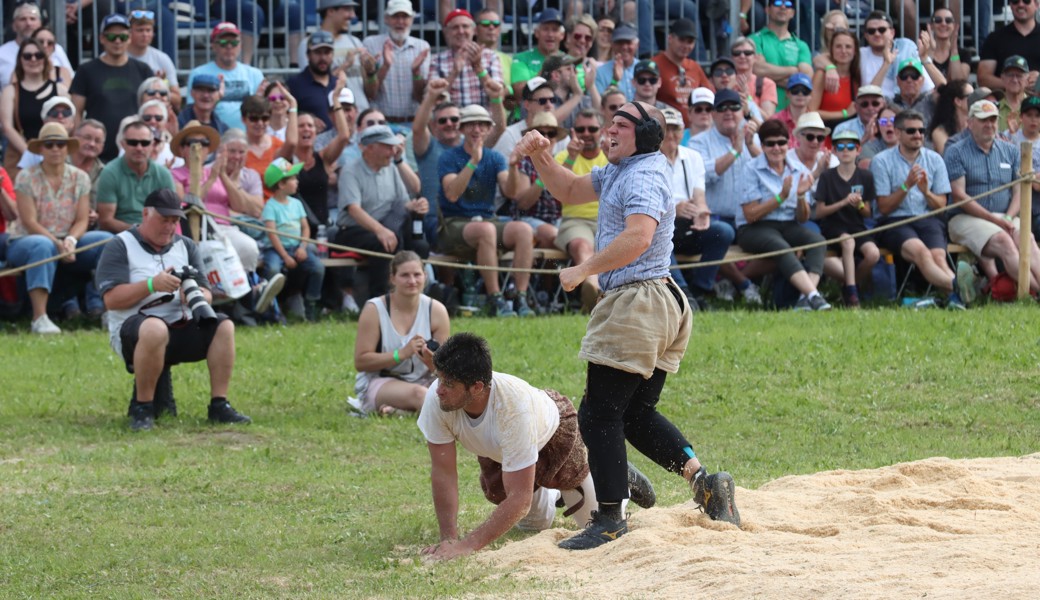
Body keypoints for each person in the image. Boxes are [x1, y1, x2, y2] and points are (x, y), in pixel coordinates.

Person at [513, 101, 740, 551]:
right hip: (658, 300)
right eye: (609, 122)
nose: (609, 130)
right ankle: (706, 482)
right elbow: (570, 189)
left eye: (621, 124)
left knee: (599, 412)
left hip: (640, 300)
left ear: (646, 135)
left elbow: (638, 236)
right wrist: (540, 154)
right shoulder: (621, 168)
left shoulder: (642, 174)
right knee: (633, 414)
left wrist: (584, 269)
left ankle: (610, 517)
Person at [418, 332, 656, 560]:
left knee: (597, 526)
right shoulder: (438, 399)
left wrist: (467, 545)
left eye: (449, 383)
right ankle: (555, 488)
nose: (439, 389)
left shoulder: (512, 407)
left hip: (553, 433)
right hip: (505, 448)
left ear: (477, 387)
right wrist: (448, 539)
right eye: (439, 378)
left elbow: (519, 499)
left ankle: (615, 476)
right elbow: (444, 472)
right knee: (535, 525)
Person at [95, 188, 251, 431]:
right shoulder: (120, 245)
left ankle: (219, 405)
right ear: (146, 214)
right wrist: (151, 285)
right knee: (155, 328)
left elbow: (207, 293)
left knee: (224, 326)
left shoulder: (186, 245)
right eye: (164, 220)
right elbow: (111, 300)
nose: (170, 227)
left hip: (179, 325)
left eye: (175, 221)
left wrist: (193, 295)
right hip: (134, 330)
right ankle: (142, 408)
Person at [5, 123, 111, 333]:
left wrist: (70, 241)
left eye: (60, 144)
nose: (55, 149)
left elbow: (82, 219)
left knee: (107, 241)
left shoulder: (79, 177)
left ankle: (111, 312)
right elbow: (29, 221)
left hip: (68, 239)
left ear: (67, 147)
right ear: (41, 149)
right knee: (42, 245)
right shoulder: (26, 176)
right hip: (26, 240)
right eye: (49, 144)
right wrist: (57, 243)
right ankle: (39, 318)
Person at [437, 105, 531, 318]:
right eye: (471, 124)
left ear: (489, 129)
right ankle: (495, 299)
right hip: (453, 224)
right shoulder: (449, 157)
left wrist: (514, 167)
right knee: (486, 230)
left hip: (486, 221)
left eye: (482, 124)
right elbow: (452, 194)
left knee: (523, 230)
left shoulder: (495, 158)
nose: (476, 129)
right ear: (462, 129)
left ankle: (521, 297)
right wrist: (472, 164)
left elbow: (511, 192)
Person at [869, 109, 967, 309]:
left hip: (928, 218)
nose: (918, 135)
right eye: (911, 131)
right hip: (895, 221)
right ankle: (958, 286)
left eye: (922, 131)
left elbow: (941, 207)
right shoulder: (881, 161)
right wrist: (906, 186)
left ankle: (957, 298)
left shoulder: (935, 159)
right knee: (921, 253)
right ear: (897, 133)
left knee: (939, 257)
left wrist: (926, 192)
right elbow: (884, 208)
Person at [946, 100, 1040, 294]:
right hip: (964, 218)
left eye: (993, 120)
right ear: (970, 123)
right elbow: (959, 196)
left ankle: (1031, 291)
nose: (989, 125)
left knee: (1027, 238)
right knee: (1004, 241)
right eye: (983, 120)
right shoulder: (956, 151)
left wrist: (1007, 217)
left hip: (1005, 216)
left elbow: (1019, 191)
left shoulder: (1011, 151)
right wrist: (993, 219)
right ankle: (1036, 292)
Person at [736, 119, 831, 311]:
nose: (776, 148)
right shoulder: (750, 168)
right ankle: (814, 296)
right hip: (754, 227)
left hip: (787, 223)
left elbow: (803, 218)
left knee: (817, 241)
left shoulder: (798, 169)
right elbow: (750, 215)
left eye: (781, 143)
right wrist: (781, 197)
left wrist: (801, 195)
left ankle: (806, 298)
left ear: (788, 144)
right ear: (762, 146)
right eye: (770, 143)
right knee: (780, 246)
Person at [688, 89, 764, 304]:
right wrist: (735, 150)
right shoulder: (698, 142)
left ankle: (731, 282)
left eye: (734, 107)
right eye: (721, 108)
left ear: (742, 112)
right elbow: (703, 175)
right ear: (713, 113)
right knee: (722, 235)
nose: (728, 112)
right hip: (714, 218)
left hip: (749, 219)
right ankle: (740, 285)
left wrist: (749, 146)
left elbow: (771, 172)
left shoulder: (754, 139)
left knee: (783, 243)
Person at [335, 125, 427, 300]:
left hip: (388, 226)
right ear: (370, 147)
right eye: (388, 146)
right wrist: (380, 230)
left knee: (419, 244)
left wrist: (415, 206)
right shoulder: (350, 171)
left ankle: (419, 293)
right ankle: (381, 298)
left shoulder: (391, 168)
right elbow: (354, 210)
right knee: (383, 243)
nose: (393, 151)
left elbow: (403, 202)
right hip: (353, 230)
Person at [353, 251, 450, 415]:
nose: (412, 281)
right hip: (383, 382)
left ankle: (400, 412)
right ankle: (412, 409)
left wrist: (430, 362)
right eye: (405, 275)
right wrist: (401, 354)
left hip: (426, 381)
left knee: (461, 392)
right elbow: (361, 362)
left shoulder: (437, 310)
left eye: (417, 275)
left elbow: (445, 370)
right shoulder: (374, 309)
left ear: (425, 276)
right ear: (392, 278)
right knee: (421, 395)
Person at [661, 107, 733, 310]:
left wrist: (702, 212)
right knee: (660, 236)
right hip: (661, 223)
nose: (671, 135)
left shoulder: (692, 157)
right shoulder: (648, 159)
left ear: (682, 131)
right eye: (666, 129)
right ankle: (684, 292)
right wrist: (675, 208)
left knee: (723, 232)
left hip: (687, 222)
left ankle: (700, 289)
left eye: (675, 129)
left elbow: (699, 195)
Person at [68, 14, 153, 162]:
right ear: (102, 39)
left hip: (134, 149)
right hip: (96, 152)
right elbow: (76, 112)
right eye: (112, 37)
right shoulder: (86, 70)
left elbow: (151, 109)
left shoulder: (143, 70)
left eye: (123, 37)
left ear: (130, 38)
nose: (118, 41)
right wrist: (80, 145)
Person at [813, 129, 880, 307]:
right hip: (833, 227)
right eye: (840, 147)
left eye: (850, 146)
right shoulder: (827, 176)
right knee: (848, 242)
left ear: (858, 150)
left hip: (856, 226)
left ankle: (850, 285)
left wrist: (858, 204)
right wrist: (843, 203)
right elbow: (819, 212)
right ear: (834, 150)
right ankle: (852, 295)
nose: (845, 150)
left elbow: (867, 212)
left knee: (873, 254)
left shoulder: (866, 176)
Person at [553, 108, 608, 312]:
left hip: (607, 220)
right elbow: (558, 193)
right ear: (573, 131)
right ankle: (593, 288)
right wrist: (571, 157)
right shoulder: (563, 156)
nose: (586, 133)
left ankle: (603, 295)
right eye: (580, 129)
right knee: (581, 245)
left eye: (591, 128)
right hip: (575, 219)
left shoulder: (611, 156)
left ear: (602, 131)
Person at [261, 158, 326, 321]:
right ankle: (271, 308)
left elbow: (305, 227)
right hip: (276, 250)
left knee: (318, 268)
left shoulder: (297, 203)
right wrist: (285, 256)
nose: (297, 181)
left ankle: (311, 304)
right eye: (293, 179)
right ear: (281, 184)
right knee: (273, 270)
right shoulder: (270, 206)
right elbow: (272, 234)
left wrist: (303, 247)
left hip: (297, 247)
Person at [0, 37, 68, 177]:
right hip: (20, 157)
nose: (33, 59)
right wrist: (31, 154)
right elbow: (7, 127)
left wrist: (48, 152)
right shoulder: (10, 91)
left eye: (38, 55)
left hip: (55, 153)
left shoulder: (60, 90)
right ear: (20, 60)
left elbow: (69, 122)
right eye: (27, 56)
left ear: (45, 59)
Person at [96, 120, 176, 233]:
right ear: (123, 144)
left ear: (152, 144)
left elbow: (171, 216)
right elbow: (106, 221)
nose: (139, 148)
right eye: (133, 142)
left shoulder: (163, 175)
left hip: (157, 234)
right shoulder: (110, 172)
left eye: (144, 143)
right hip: (118, 236)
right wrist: (139, 232)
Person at [294, 0, 371, 113]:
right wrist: (345, 65)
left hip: (361, 114)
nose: (353, 15)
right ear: (330, 11)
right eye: (347, 9)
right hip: (334, 115)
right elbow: (312, 85)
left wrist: (372, 72)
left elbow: (369, 91)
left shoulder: (355, 42)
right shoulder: (308, 44)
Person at [186, 22, 265, 132]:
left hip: (247, 137)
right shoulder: (198, 73)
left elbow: (263, 111)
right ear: (213, 45)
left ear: (240, 45)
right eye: (223, 42)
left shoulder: (255, 74)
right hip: (212, 136)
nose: (229, 47)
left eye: (234, 42)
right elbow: (193, 110)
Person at [362, 0, 431, 126]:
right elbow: (370, 94)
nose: (400, 22)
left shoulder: (422, 46)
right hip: (382, 123)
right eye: (395, 16)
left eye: (405, 17)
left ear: (412, 19)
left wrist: (416, 73)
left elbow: (420, 97)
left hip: (413, 122)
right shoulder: (370, 43)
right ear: (386, 19)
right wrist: (385, 66)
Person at [428, 9, 504, 109]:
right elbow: (432, 99)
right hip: (452, 122)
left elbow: (499, 95)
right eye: (455, 27)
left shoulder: (491, 57)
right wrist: (454, 72)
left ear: (474, 30)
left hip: (482, 120)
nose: (461, 31)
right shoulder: (436, 60)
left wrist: (479, 68)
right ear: (446, 32)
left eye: (465, 26)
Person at [859, 11, 939, 100]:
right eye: (871, 31)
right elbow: (870, 97)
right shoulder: (861, 55)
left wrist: (925, 58)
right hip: (875, 109)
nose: (877, 34)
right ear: (866, 35)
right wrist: (886, 63)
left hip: (909, 108)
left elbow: (931, 89)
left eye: (882, 30)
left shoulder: (906, 49)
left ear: (892, 33)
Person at [749, 0, 811, 111]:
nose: (783, 7)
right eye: (777, 3)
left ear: (792, 13)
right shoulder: (754, 39)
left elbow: (805, 77)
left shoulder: (801, 45)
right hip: (763, 112)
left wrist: (767, 77)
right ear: (767, 10)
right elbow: (757, 69)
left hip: (793, 115)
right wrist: (793, 71)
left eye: (788, 4)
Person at [0, 3, 74, 89]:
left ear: (40, 24)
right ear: (14, 25)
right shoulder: (2, 53)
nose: (28, 23)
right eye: (23, 19)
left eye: (33, 19)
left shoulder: (56, 49)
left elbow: (71, 79)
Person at [652, 18, 710, 127]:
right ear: (670, 38)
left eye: (690, 42)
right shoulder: (655, 64)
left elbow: (710, 95)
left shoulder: (694, 67)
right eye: (682, 40)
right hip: (666, 130)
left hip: (693, 131)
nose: (686, 46)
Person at [977, 0, 1040, 92]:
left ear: (1037, 5)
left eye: (1026, 1)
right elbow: (983, 78)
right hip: (1005, 102)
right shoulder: (995, 38)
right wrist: (1017, 83)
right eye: (1015, 1)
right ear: (1010, 5)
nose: (1020, 4)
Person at [124, 10, 181, 110]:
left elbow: (177, 101)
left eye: (148, 30)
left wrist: (161, 86)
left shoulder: (163, 58)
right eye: (140, 30)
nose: (145, 34)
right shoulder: (116, 56)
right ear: (129, 32)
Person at [241, 93, 298, 190]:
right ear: (244, 120)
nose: (260, 123)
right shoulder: (237, 148)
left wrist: (293, 105)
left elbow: (292, 142)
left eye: (265, 118)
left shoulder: (277, 145)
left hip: (274, 202)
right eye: (254, 119)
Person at [287, 31, 340, 130]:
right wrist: (306, 119)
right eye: (317, 53)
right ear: (308, 55)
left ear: (332, 55)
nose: (323, 58)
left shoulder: (339, 84)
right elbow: (285, 115)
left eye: (327, 53)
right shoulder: (294, 84)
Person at [510, 8, 565, 99]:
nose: (550, 34)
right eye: (545, 29)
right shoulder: (520, 58)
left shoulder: (570, 60)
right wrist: (545, 70)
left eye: (555, 30)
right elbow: (519, 94)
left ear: (562, 35)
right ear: (536, 33)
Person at [809, 28, 859, 128]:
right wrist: (844, 114)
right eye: (838, 46)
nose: (843, 51)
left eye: (848, 47)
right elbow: (810, 112)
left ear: (855, 51)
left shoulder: (857, 76)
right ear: (831, 50)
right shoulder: (822, 75)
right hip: (825, 134)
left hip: (850, 136)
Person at [732, 36, 777, 120]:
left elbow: (768, 119)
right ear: (732, 58)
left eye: (747, 53)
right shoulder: (724, 82)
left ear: (755, 57)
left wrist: (748, 99)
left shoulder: (767, 84)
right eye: (737, 53)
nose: (742, 56)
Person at [923, 7, 970, 83]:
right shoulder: (922, 53)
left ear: (954, 26)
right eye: (938, 20)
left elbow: (959, 82)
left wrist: (954, 51)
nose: (943, 24)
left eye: (948, 20)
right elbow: (923, 81)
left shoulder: (964, 54)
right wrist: (930, 51)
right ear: (931, 26)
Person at [594, 23, 639, 99]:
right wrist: (614, 81)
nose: (624, 47)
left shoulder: (644, 68)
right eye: (620, 43)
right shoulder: (600, 72)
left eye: (628, 42)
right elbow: (600, 104)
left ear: (637, 45)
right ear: (612, 45)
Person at [928, 80, 973, 155]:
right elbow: (949, 156)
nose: (975, 99)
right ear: (958, 101)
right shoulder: (939, 132)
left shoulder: (975, 126)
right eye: (971, 96)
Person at [890, 59, 936, 127]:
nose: (909, 80)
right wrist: (886, 63)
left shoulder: (930, 100)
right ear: (898, 80)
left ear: (922, 80)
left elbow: (946, 88)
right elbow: (872, 91)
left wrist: (925, 58)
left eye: (914, 76)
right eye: (904, 76)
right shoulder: (890, 104)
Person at [997, 56, 1030, 133]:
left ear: (1027, 80)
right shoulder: (994, 108)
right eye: (1010, 75)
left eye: (1019, 76)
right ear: (1002, 78)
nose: (1014, 80)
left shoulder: (1036, 107)